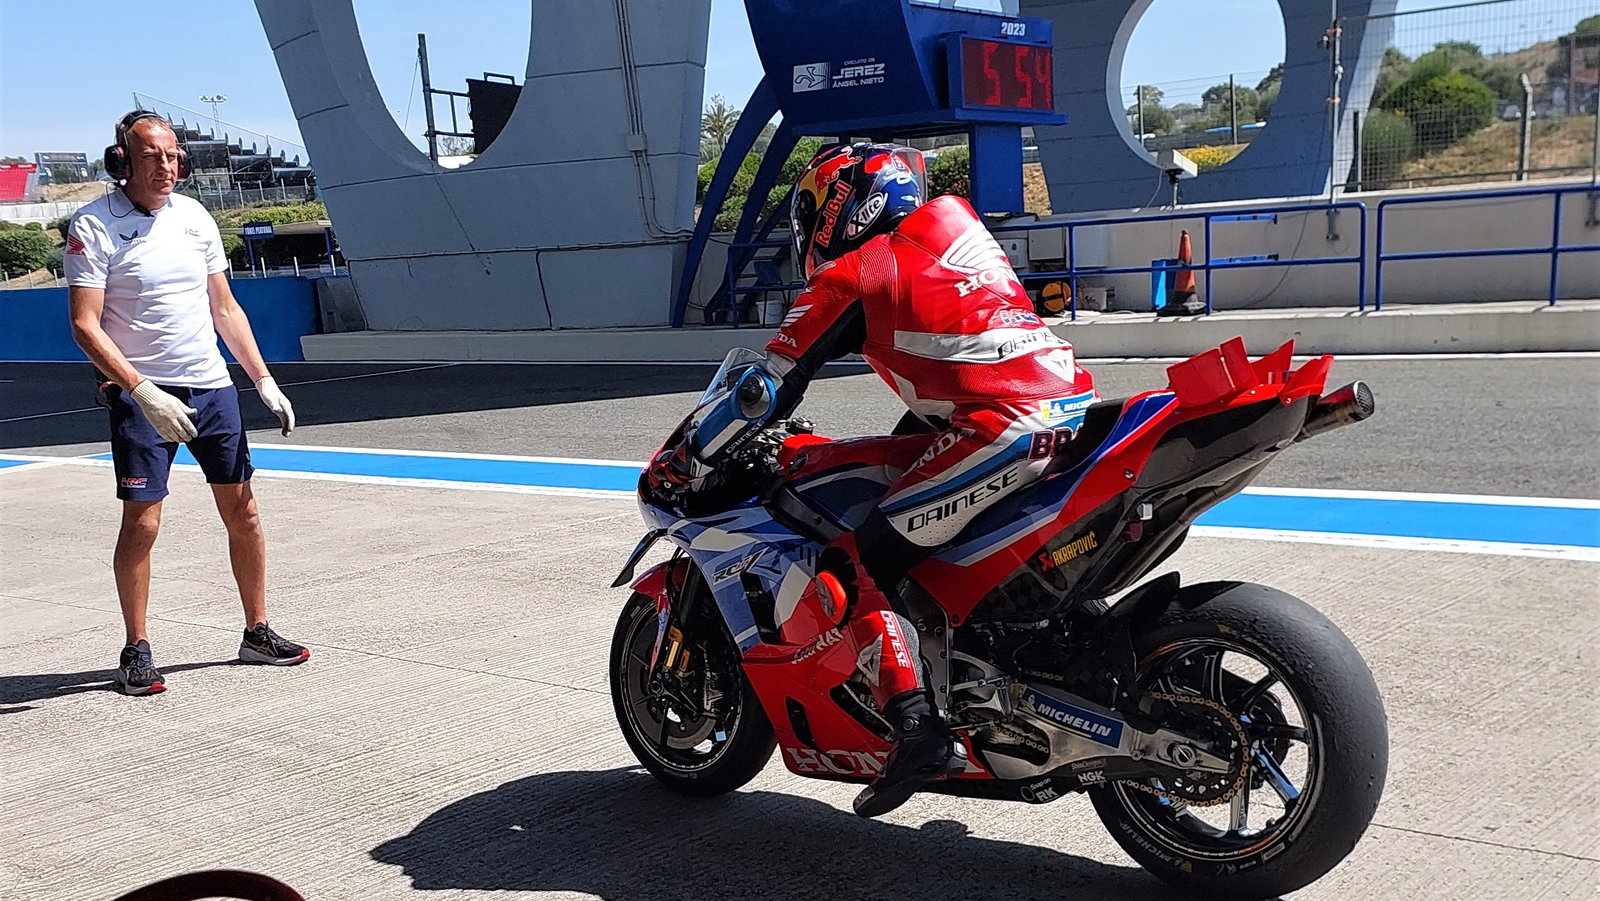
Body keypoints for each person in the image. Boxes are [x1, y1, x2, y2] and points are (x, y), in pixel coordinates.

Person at [707, 143, 1097, 816]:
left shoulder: (857, 272)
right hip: (1069, 410)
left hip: (1001, 426)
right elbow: (956, 355)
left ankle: (918, 727)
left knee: (857, 556)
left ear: (841, 203)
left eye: (811, 212)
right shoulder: (955, 233)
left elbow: (767, 384)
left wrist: (701, 445)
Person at [66, 110, 310, 696]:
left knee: (244, 512)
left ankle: (256, 632)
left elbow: (224, 308)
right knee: (144, 521)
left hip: (211, 387)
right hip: (142, 396)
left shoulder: (196, 217)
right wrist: (141, 390)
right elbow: (85, 325)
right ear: (122, 160)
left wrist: (262, 380)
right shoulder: (94, 225)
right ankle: (136, 648)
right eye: (151, 156)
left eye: (173, 156)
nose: (166, 167)